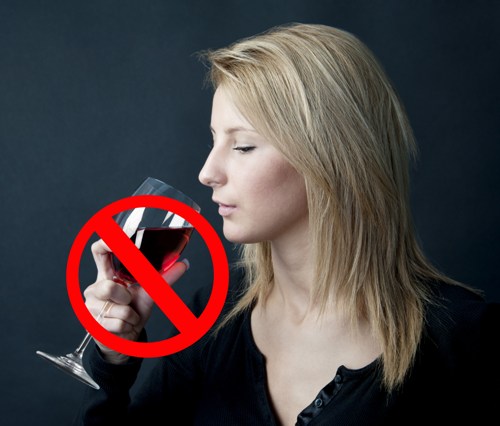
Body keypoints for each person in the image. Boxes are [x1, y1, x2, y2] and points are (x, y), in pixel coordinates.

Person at [73, 23, 499, 425]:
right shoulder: (214, 318)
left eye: (242, 146)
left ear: (332, 157)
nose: (207, 173)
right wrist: (113, 355)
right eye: (214, 139)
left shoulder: (465, 340)